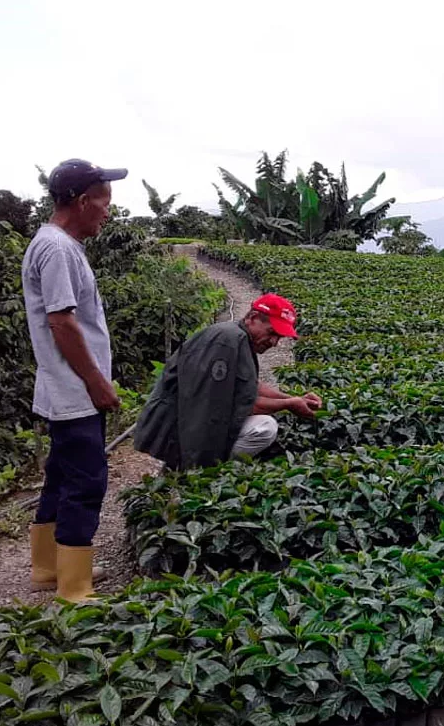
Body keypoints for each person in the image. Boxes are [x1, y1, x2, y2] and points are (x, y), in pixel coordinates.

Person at [22, 158, 128, 602]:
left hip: (65, 387)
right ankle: (74, 588)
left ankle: (48, 568)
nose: (108, 211)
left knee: (61, 476)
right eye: (105, 202)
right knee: (86, 481)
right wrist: (97, 381)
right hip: (75, 390)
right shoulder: (59, 249)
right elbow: (62, 322)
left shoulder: (55, 244)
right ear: (83, 202)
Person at [133, 293, 323, 471]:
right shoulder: (226, 342)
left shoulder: (239, 338)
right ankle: (209, 472)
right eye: (271, 332)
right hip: (176, 428)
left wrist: (294, 398)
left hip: (189, 422)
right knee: (265, 427)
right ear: (252, 318)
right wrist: (289, 404)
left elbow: (250, 385)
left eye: (279, 337)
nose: (274, 342)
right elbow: (236, 404)